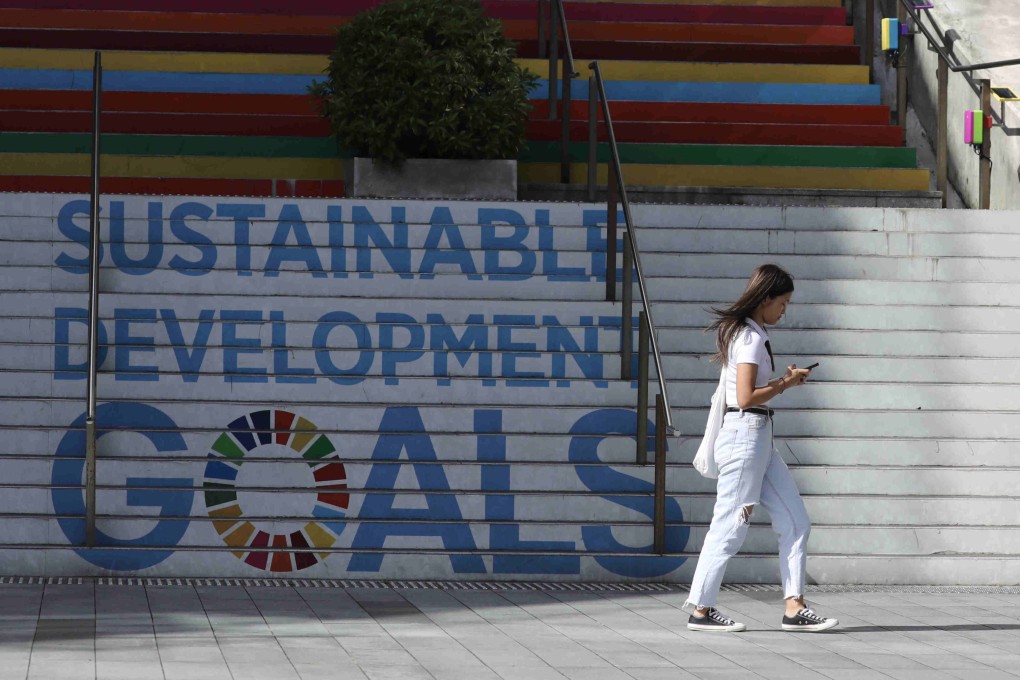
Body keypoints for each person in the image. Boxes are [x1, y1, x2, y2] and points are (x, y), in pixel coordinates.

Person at [684, 264, 838, 633]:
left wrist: (785, 380)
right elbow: (745, 396)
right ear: (765, 299)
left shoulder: (750, 333)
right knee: (730, 524)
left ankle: (794, 607)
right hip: (745, 437)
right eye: (782, 303)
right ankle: (701, 610)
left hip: (759, 438)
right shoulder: (750, 338)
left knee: (796, 521)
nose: (784, 310)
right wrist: (785, 383)